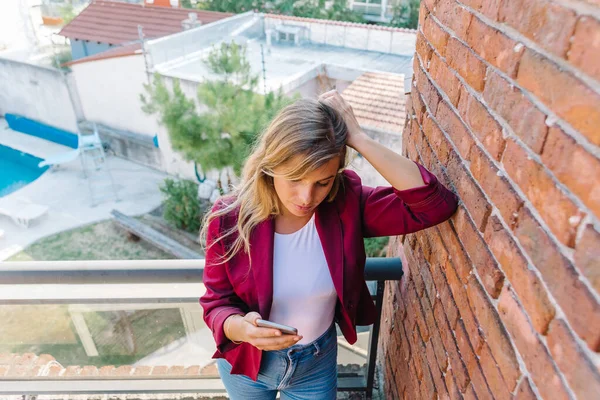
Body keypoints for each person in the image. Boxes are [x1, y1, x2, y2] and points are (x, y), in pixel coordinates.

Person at [199, 90, 459, 399]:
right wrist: (239, 328)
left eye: (322, 182)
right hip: (248, 363)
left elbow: (434, 206)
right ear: (270, 167)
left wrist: (358, 138)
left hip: (316, 364)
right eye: (294, 179)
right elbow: (216, 303)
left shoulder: (346, 205)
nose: (307, 198)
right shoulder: (229, 219)